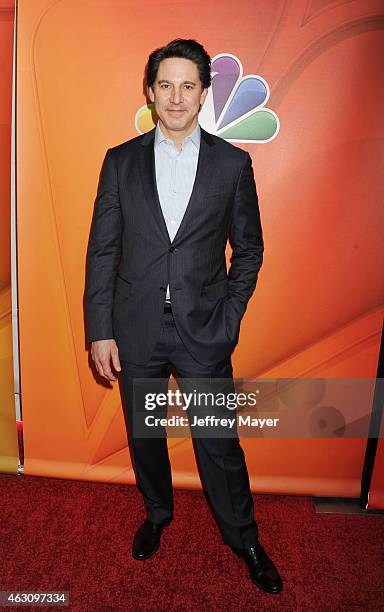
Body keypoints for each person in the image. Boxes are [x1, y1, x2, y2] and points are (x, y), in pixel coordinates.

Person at [85, 38, 282, 594]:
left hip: (204, 330)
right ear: (150, 92)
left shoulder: (232, 163)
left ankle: (244, 537)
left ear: (203, 94)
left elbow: (250, 249)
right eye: (165, 85)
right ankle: (157, 514)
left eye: (187, 85)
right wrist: (100, 329)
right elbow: (103, 250)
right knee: (145, 434)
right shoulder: (120, 161)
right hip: (136, 327)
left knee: (218, 441)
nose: (175, 97)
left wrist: (231, 314)